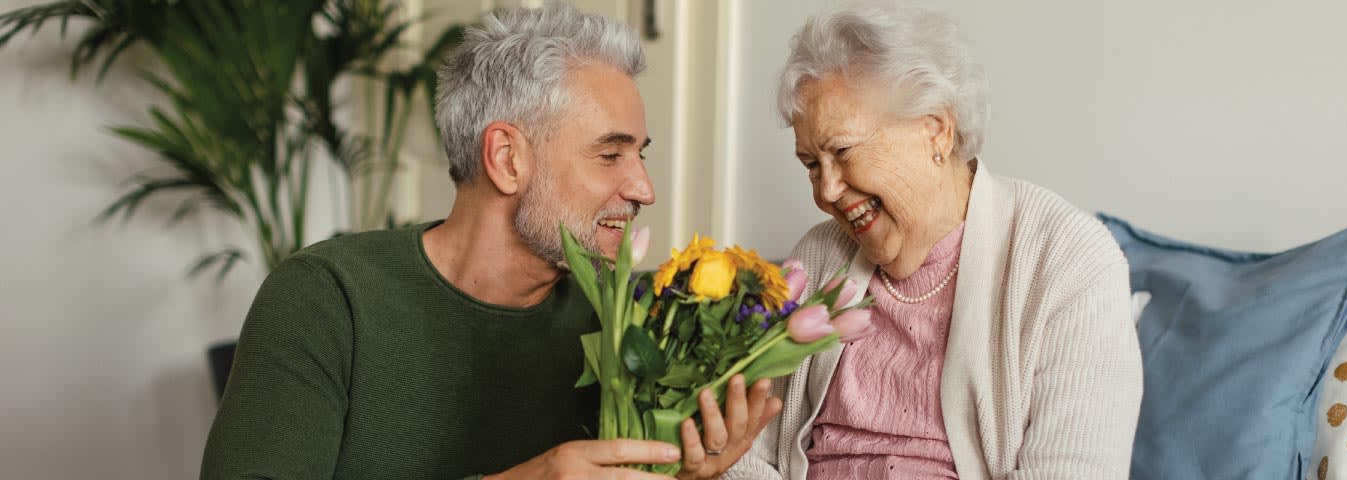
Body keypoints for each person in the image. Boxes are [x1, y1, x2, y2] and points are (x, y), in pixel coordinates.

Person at [201, 5, 779, 479]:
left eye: (640, 154)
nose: (644, 188)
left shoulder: (630, 321)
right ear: (507, 159)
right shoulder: (327, 299)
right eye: (610, 154)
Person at [722, 4, 1143, 479]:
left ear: (935, 131)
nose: (826, 191)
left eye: (841, 151)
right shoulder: (818, 258)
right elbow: (743, 453)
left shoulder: (1067, 259)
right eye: (812, 165)